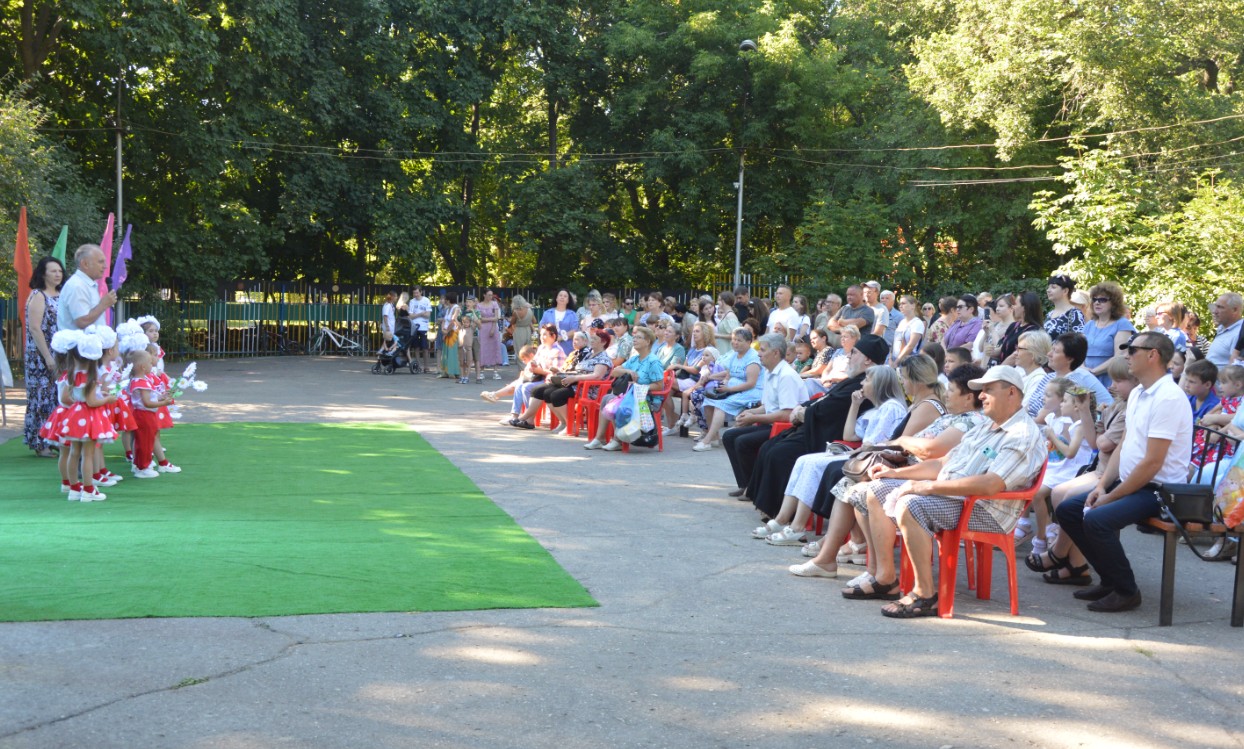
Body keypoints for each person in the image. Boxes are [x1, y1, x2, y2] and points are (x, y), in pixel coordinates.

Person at [843, 365, 1044, 617]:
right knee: (874, 489)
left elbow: (991, 484)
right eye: (981, 391)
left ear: (1012, 393)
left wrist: (928, 487)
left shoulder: (1021, 433)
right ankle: (886, 578)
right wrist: (895, 474)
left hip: (986, 509)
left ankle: (925, 594)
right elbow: (941, 463)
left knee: (911, 503)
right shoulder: (986, 426)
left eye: (988, 390)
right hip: (956, 497)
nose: (981, 396)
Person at [791, 363, 988, 579]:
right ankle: (839, 559)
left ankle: (868, 567)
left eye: (951, 390)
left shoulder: (971, 420)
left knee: (862, 489)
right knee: (849, 484)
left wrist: (903, 442)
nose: (946, 394)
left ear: (969, 397)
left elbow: (932, 450)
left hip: (929, 477)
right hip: (915, 469)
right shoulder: (953, 417)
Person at [1054, 332, 1193, 613]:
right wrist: (1102, 485)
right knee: (1068, 510)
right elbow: (1122, 446)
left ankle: (1127, 591)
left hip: (1159, 490)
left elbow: (1153, 463)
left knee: (1098, 520)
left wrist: (1111, 496)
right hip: (1131, 482)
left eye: (1132, 349)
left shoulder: (1168, 398)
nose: (1127, 354)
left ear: (1152, 355)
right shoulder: (1140, 392)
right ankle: (1110, 580)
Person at [757, 364, 912, 546]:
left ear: (879, 384)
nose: (862, 383)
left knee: (813, 464)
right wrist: (854, 405)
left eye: (867, 379)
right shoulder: (875, 409)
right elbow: (849, 436)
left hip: (869, 458)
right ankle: (782, 519)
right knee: (803, 460)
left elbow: (874, 444)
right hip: (860, 454)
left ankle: (797, 527)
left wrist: (857, 449)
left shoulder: (891, 407)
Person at [739, 334, 891, 518]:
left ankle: (777, 511)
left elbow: (832, 408)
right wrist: (802, 408)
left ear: (867, 359)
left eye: (854, 353)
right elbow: (826, 399)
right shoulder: (855, 378)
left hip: (828, 434)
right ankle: (767, 505)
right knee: (769, 446)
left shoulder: (866, 383)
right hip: (817, 426)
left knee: (779, 454)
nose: (849, 356)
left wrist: (804, 413)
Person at [720, 334, 806, 493]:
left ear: (775, 353)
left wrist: (754, 418)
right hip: (772, 423)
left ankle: (754, 488)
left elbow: (787, 414)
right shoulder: (768, 372)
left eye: (763, 350)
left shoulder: (786, 376)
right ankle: (747, 485)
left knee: (742, 441)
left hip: (787, 429)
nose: (759, 353)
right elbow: (768, 407)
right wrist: (748, 413)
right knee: (729, 436)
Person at [585, 326, 665, 451]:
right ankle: (600, 439)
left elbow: (660, 385)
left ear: (648, 341)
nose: (635, 340)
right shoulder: (634, 359)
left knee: (615, 401)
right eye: (634, 337)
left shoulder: (654, 361)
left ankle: (617, 439)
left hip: (647, 399)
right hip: (631, 396)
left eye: (639, 337)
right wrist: (627, 370)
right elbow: (614, 372)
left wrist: (639, 388)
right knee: (607, 398)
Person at [61, 331, 119, 501]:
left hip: (75, 415)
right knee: (87, 454)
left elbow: (66, 397)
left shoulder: (72, 375)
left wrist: (82, 399)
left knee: (74, 452)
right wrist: (108, 398)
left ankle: (74, 488)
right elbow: (93, 402)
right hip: (89, 417)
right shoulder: (92, 378)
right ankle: (88, 489)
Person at [695, 327, 763, 452]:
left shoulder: (753, 358)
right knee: (709, 401)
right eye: (734, 339)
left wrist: (729, 388)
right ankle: (714, 438)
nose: (735, 342)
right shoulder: (734, 355)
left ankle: (706, 441)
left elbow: (751, 383)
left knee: (720, 404)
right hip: (733, 388)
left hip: (751, 392)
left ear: (749, 342)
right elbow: (729, 374)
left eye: (739, 340)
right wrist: (721, 382)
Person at [23, 256, 65, 457]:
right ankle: (40, 443)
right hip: (40, 356)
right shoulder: (37, 295)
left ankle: (54, 437)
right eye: (53, 271)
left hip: (60, 353)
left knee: (57, 397)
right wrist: (48, 357)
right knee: (41, 397)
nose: (58, 274)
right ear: (43, 273)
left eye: (60, 270)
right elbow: (34, 328)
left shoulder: (61, 294)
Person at [1025, 332, 1113, 418]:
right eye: (1052, 349)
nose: (1049, 354)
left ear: (1070, 359)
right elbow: (1028, 407)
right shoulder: (1049, 377)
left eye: (1055, 351)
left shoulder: (1073, 383)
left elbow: (1043, 419)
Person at [1082, 282, 1135, 385]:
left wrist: (1093, 372)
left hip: (1109, 379)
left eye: (1102, 300)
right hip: (1086, 379)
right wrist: (1084, 370)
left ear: (1114, 303)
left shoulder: (1122, 324)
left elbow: (1120, 356)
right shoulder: (1089, 325)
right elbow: (1079, 353)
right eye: (1094, 299)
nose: (1097, 303)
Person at [57, 244, 117, 333]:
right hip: (77, 346)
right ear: (85, 264)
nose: (105, 266)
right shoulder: (77, 285)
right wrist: (103, 304)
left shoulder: (87, 284)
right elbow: (82, 321)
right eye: (100, 262)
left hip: (90, 345)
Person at [998, 291, 1042, 364]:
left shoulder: (1033, 331)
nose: (1013, 307)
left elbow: (1015, 356)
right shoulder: (1013, 326)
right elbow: (1004, 347)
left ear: (1025, 307)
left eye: (1015, 304)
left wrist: (998, 371)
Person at [540, 289, 580, 355]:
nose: (562, 297)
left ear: (568, 300)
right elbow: (541, 327)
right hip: (549, 347)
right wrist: (550, 337)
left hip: (567, 348)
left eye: (565, 296)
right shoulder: (547, 313)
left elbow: (574, 330)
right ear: (556, 298)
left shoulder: (572, 314)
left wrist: (560, 338)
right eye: (560, 295)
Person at [1208, 292, 1243, 367]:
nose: (1214, 311)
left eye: (1220, 307)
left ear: (1235, 310)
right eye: (1215, 306)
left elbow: (1235, 368)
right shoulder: (1223, 328)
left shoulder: (1239, 334)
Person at [477, 289, 505, 379]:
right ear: (484, 295)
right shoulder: (479, 305)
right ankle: (481, 371)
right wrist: (491, 318)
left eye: (491, 295)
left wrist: (493, 328)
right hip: (483, 329)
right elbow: (479, 318)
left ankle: (495, 371)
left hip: (493, 328)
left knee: (495, 347)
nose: (490, 297)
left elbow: (496, 317)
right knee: (482, 348)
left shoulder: (494, 304)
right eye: (489, 295)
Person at [892, 294, 925, 364]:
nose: (900, 306)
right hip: (895, 358)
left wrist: (896, 362)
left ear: (913, 305)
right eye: (900, 304)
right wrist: (890, 359)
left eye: (903, 303)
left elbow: (910, 346)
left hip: (908, 362)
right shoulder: (902, 322)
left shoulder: (917, 323)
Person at [408, 286, 433, 374]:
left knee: (425, 347)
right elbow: (410, 316)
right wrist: (421, 313)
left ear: (421, 292)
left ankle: (426, 366)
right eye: (414, 293)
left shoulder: (426, 300)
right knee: (416, 347)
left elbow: (428, 315)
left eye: (417, 293)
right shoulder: (411, 301)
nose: (415, 294)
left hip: (423, 327)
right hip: (414, 326)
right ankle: (418, 365)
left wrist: (417, 315)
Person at [458, 295, 482, 384]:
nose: (467, 304)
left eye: (470, 302)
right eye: (467, 302)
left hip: (474, 337)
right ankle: (463, 376)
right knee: (463, 358)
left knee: (476, 358)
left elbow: (479, 325)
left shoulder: (477, 312)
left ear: (474, 303)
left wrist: (473, 313)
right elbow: (459, 323)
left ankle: (478, 377)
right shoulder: (463, 312)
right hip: (465, 337)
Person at [439, 293, 462, 380]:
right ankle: (446, 371)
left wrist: (446, 331)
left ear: (449, 300)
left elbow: (453, 321)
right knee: (446, 352)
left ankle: (453, 371)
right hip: (447, 332)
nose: (444, 301)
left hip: (453, 332)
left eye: (446, 299)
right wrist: (443, 330)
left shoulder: (456, 308)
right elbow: (445, 320)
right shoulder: (448, 308)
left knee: (452, 353)